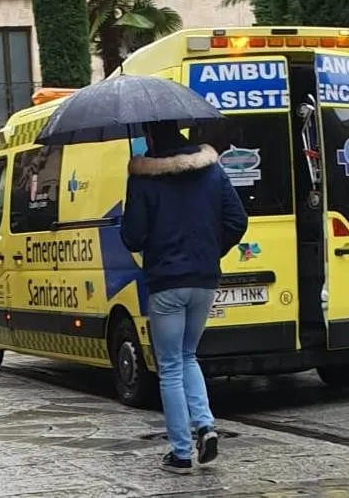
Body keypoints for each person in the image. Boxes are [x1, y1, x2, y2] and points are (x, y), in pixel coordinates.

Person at [120, 121, 248, 474]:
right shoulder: (213, 171)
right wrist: (209, 252)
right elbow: (237, 221)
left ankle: (179, 452)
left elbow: (132, 237)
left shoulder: (144, 178)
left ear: (149, 136)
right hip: (205, 280)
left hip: (166, 283)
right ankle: (205, 426)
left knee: (171, 366)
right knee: (189, 356)